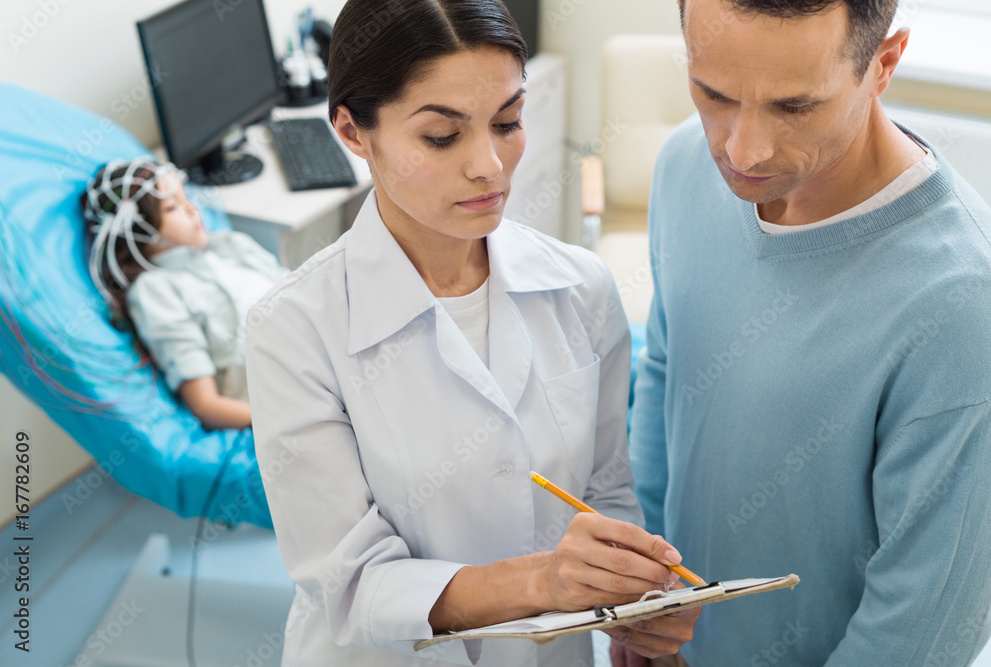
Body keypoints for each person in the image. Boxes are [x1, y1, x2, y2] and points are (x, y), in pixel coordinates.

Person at [245, 1, 700, 665]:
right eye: (441, 136)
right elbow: (349, 584)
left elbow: (604, 493)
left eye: (509, 121)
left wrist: (632, 601)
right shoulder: (294, 328)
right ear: (352, 130)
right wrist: (539, 582)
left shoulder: (582, 289)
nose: (490, 165)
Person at [628, 0, 991, 665]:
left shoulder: (964, 303)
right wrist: (645, 600)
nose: (742, 150)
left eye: (794, 107)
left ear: (883, 64)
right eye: (713, 93)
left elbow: (924, 631)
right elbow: (664, 374)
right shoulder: (686, 162)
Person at [83, 158, 288, 430]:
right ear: (138, 230)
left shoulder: (230, 244)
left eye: (187, 197)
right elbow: (207, 405)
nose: (192, 210)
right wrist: (289, 422)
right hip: (288, 393)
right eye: (172, 207)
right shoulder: (155, 291)